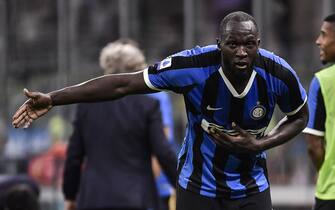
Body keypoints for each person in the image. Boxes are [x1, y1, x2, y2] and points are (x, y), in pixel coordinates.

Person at [12, 11, 308, 210]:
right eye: (232, 44)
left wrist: (260, 143)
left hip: (252, 187)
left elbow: (299, 116)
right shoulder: (191, 67)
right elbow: (122, 85)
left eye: (248, 45)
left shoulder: (279, 74)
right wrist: (53, 98)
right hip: (197, 187)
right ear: (219, 44)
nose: (241, 52)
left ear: (258, 44)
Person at [62, 39, 177, 210]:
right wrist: (181, 185)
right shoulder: (149, 105)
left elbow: (74, 157)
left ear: (106, 68)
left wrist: (70, 195)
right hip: (137, 198)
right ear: (138, 68)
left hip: (94, 199)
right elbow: (163, 152)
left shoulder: (85, 107)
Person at [303, 13, 335, 210]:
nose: (318, 41)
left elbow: (314, 145)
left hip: (331, 191)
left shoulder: (323, 81)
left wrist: (322, 171)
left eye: (324, 35)